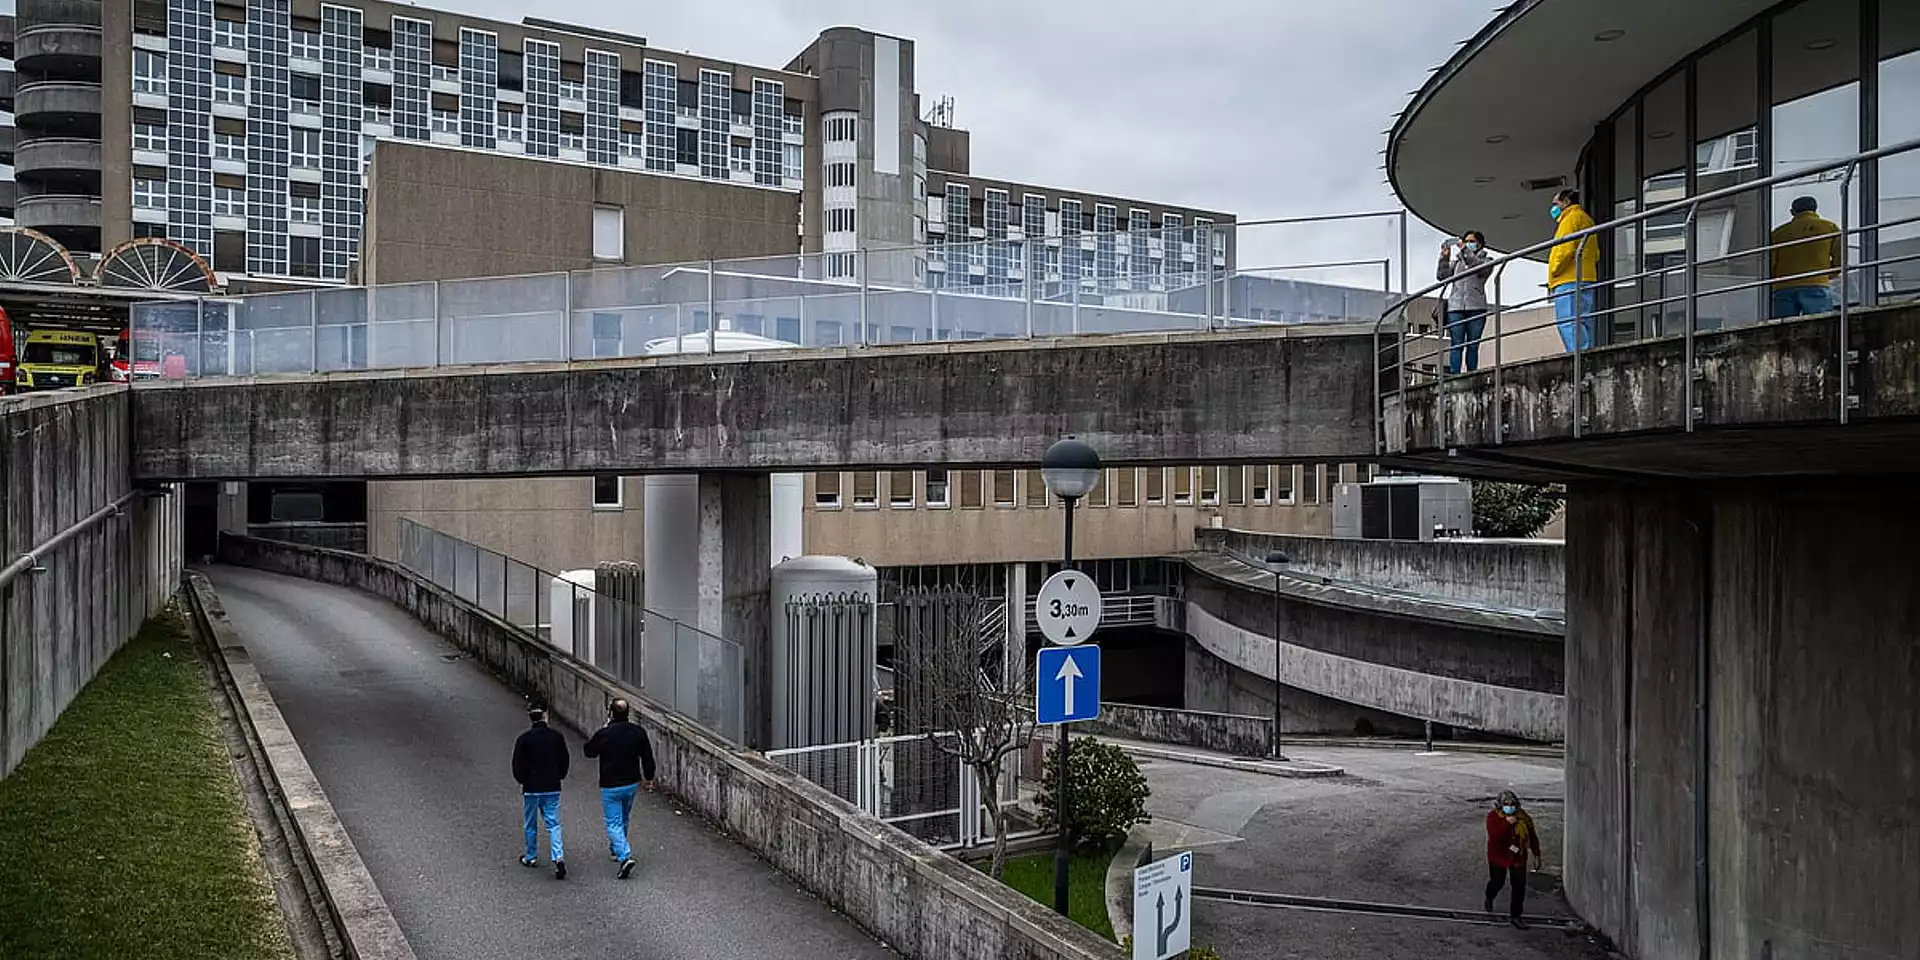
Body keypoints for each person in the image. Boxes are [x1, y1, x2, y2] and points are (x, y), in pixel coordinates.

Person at [582, 698, 657, 879]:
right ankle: (616, 849)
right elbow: (647, 756)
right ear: (628, 713)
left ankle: (624, 856)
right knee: (623, 817)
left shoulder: (605, 734)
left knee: (612, 823)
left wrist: (604, 727)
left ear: (611, 713)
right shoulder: (638, 732)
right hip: (631, 783)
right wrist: (649, 778)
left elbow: (589, 751)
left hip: (611, 784)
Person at [511, 705, 569, 879]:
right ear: (545, 716)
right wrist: (560, 775)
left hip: (531, 787)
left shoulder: (524, 739)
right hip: (551, 785)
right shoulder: (557, 737)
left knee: (530, 823)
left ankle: (531, 856)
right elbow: (564, 759)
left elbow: (517, 764)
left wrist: (522, 779)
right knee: (553, 822)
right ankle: (558, 857)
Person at [1770, 196, 1841, 319]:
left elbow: (1771, 263)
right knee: (1819, 325)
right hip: (1817, 283)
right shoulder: (1830, 227)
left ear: (1792, 212)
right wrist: (1828, 275)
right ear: (1815, 209)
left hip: (1783, 286)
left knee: (1782, 327)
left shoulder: (1778, 233)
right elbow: (1840, 258)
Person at [1547, 189, 1600, 352]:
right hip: (1586, 275)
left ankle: (1577, 356)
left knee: (1569, 321)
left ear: (1566, 202)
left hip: (1568, 278)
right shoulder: (1586, 219)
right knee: (1584, 320)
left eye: (1556, 203)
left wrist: (1555, 269)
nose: (1553, 207)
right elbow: (1596, 253)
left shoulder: (1569, 219)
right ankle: (1587, 354)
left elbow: (1564, 249)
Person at [1485, 790, 1542, 928]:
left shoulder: (1523, 817)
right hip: (1499, 856)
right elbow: (1495, 836)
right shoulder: (1493, 817)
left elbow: (1532, 836)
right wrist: (1507, 823)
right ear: (1500, 805)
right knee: (1497, 882)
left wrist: (1537, 854)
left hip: (1518, 856)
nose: (1509, 807)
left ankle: (1516, 916)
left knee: (1519, 886)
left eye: (1512, 804)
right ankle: (1489, 897)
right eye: (1506, 804)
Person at [1437, 231, 1493, 373]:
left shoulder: (1487, 261)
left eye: (1471, 241)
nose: (1468, 244)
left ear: (1479, 244)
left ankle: (1471, 373)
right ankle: (1455, 373)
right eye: (1466, 241)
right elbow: (1441, 276)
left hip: (1476, 307)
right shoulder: (1456, 263)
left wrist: (1465, 251)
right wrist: (1444, 258)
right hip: (1455, 307)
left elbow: (1478, 267)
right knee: (1456, 344)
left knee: (1473, 345)